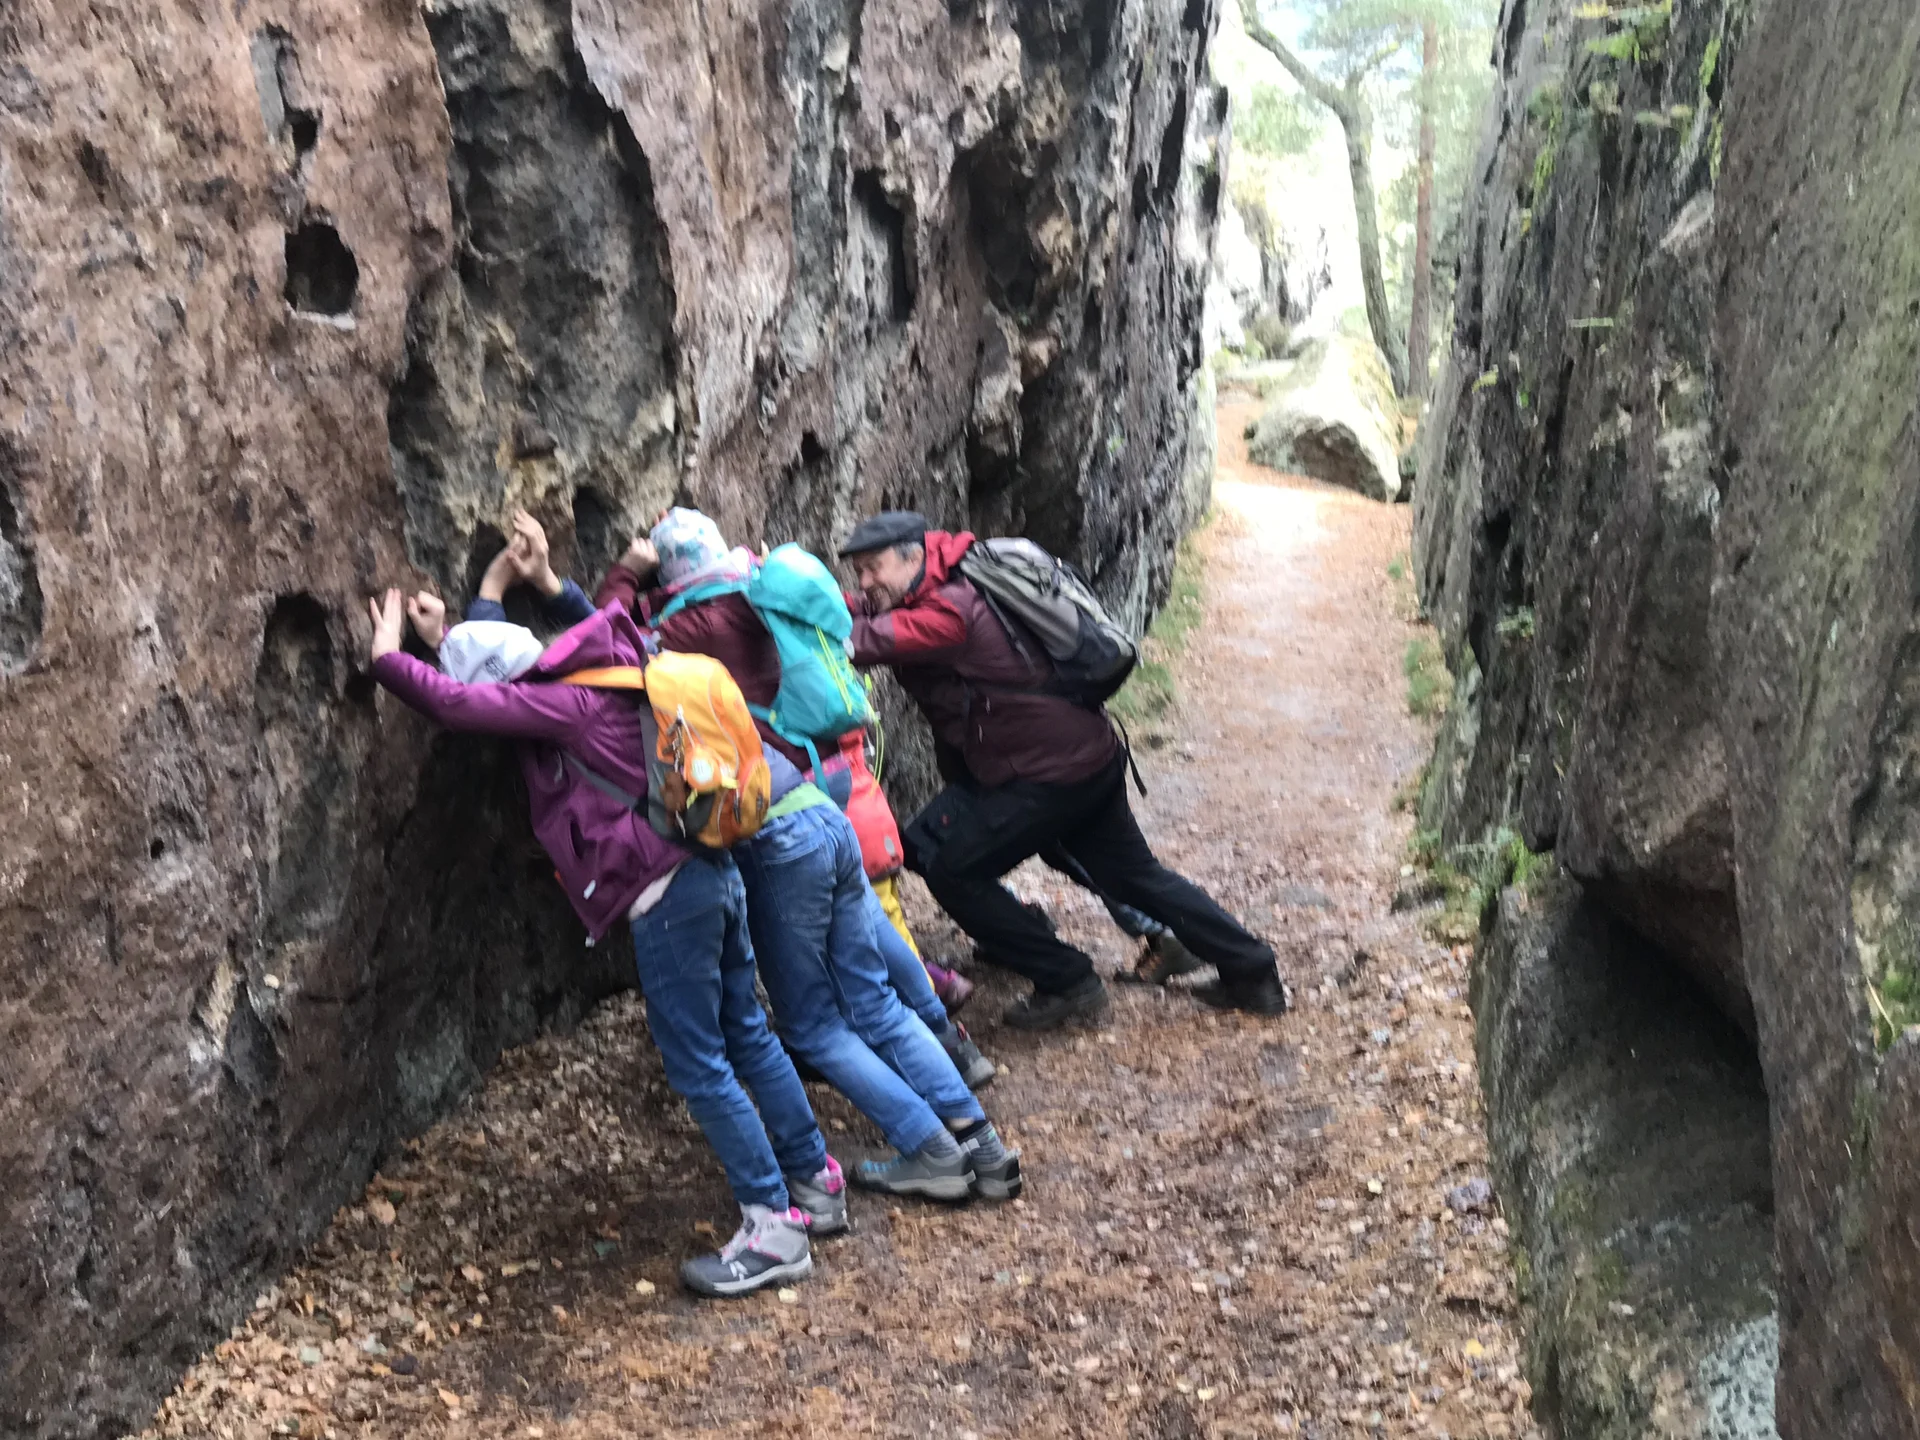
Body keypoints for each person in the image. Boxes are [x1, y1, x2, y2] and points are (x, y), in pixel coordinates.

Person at [364, 524, 840, 1299]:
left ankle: (773, 1226)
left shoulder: (562, 705)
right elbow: (496, 656)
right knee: (747, 1034)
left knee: (699, 1063)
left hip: (665, 896)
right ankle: (816, 1183)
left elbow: (459, 702)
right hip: (712, 869)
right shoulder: (620, 667)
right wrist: (463, 615)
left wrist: (390, 655)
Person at [598, 511, 1017, 1198]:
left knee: (815, 1025)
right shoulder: (762, 592)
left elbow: (602, 645)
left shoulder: (683, 631)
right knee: (875, 1001)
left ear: (669, 576)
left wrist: (625, 574)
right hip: (825, 806)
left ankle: (932, 1150)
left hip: (775, 839)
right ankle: (981, 1144)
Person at [840, 510, 1289, 1029]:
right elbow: (860, 611)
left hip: (1044, 776)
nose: (866, 583)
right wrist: (795, 594)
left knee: (954, 871)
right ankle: (1253, 969)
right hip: (1083, 756)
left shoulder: (948, 613)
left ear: (913, 556)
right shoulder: (959, 571)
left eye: (874, 569)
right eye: (859, 574)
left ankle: (1066, 978)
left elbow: (863, 641)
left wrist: (785, 614)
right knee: (1137, 877)